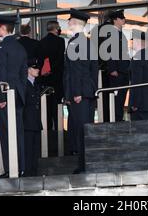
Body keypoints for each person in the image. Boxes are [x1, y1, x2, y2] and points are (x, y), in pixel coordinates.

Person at [63, 9, 98, 174]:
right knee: (83, 128)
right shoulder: (85, 42)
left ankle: (84, 166)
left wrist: (75, 93)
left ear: (76, 24)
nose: (68, 24)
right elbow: (91, 70)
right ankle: (84, 164)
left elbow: (77, 70)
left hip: (80, 94)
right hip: (85, 92)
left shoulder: (77, 42)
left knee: (81, 129)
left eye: (70, 21)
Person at [0, 15, 27, 178]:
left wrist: (1, 97)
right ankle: (20, 167)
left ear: (2, 27)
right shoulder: (20, 47)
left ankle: (10, 169)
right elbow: (24, 74)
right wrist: (21, 92)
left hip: (6, 96)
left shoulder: (1, 47)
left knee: (6, 133)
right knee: (18, 132)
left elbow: (1, 74)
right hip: (18, 94)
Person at [38, 20, 65, 131]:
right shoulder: (60, 41)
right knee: (57, 104)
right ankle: (59, 128)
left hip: (45, 78)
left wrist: (46, 70)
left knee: (47, 105)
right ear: (55, 28)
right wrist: (53, 69)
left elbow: (40, 60)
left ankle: (47, 129)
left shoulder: (42, 42)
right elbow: (60, 59)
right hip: (57, 78)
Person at [104, 10, 130, 122]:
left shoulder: (120, 33)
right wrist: (112, 69)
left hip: (123, 70)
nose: (123, 19)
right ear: (115, 20)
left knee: (122, 97)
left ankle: (118, 118)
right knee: (117, 98)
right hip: (117, 71)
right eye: (121, 18)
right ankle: (116, 119)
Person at [128, 29, 148, 121]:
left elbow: (137, 82)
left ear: (138, 42)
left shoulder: (137, 57)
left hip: (140, 105)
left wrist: (134, 103)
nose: (132, 44)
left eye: (133, 41)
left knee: (139, 133)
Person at [23, 59, 42, 177]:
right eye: (35, 68)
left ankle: (34, 172)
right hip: (27, 121)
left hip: (35, 121)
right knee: (28, 149)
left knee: (35, 150)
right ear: (29, 70)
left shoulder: (36, 84)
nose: (38, 70)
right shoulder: (24, 84)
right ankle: (28, 172)